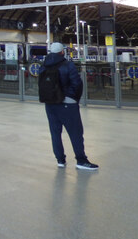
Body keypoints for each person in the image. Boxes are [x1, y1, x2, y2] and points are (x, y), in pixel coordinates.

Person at [40, 42, 98, 171]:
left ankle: (60, 160)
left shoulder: (43, 66)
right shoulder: (67, 65)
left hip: (49, 104)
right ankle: (81, 160)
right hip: (67, 104)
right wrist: (72, 98)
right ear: (62, 52)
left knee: (55, 133)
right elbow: (76, 83)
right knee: (75, 133)